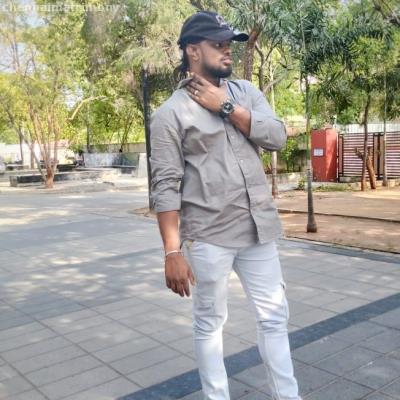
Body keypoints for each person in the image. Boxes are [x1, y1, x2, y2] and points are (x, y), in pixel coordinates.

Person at [150, 10, 302, 400]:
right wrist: (172, 252)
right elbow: (165, 187)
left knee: (274, 316)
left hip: (258, 230)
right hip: (209, 236)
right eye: (218, 44)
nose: (227, 50)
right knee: (210, 323)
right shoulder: (170, 114)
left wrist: (227, 107)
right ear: (192, 50)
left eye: (228, 44)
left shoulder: (246, 93)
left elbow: (277, 137)